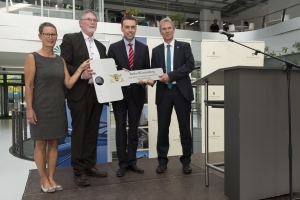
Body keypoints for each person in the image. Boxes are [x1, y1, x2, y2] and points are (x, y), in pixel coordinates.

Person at [24, 22, 89, 193]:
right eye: (47, 34)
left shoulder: (60, 60)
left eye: (53, 34)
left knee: (54, 144)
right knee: (40, 144)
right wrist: (29, 109)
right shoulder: (32, 57)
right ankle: (43, 179)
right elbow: (28, 85)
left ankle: (52, 178)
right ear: (40, 36)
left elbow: (68, 83)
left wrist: (80, 69)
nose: (50, 37)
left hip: (58, 108)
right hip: (40, 108)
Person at [60, 9, 108, 186]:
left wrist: (112, 69)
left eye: (95, 20)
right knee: (79, 132)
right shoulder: (70, 39)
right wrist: (81, 74)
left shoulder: (101, 47)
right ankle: (78, 171)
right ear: (81, 23)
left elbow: (103, 70)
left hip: (98, 93)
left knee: (92, 132)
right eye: (89, 19)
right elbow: (64, 64)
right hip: (79, 92)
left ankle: (89, 165)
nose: (92, 22)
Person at [146, 17, 194, 174]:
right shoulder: (156, 50)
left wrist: (171, 76)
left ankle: (186, 161)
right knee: (162, 129)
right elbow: (154, 71)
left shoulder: (185, 46)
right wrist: (148, 80)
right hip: (163, 93)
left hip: (181, 92)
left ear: (174, 30)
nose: (167, 31)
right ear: (160, 32)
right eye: (164, 29)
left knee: (184, 128)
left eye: (169, 28)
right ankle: (162, 161)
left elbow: (189, 65)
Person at [108, 16, 150, 177]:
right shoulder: (113, 48)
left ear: (136, 28)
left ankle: (132, 161)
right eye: (127, 27)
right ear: (122, 28)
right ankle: (122, 163)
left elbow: (147, 70)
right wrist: (119, 73)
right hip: (119, 95)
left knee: (134, 129)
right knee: (120, 130)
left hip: (137, 94)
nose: (130, 30)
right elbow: (109, 73)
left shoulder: (143, 48)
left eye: (133, 27)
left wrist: (145, 80)